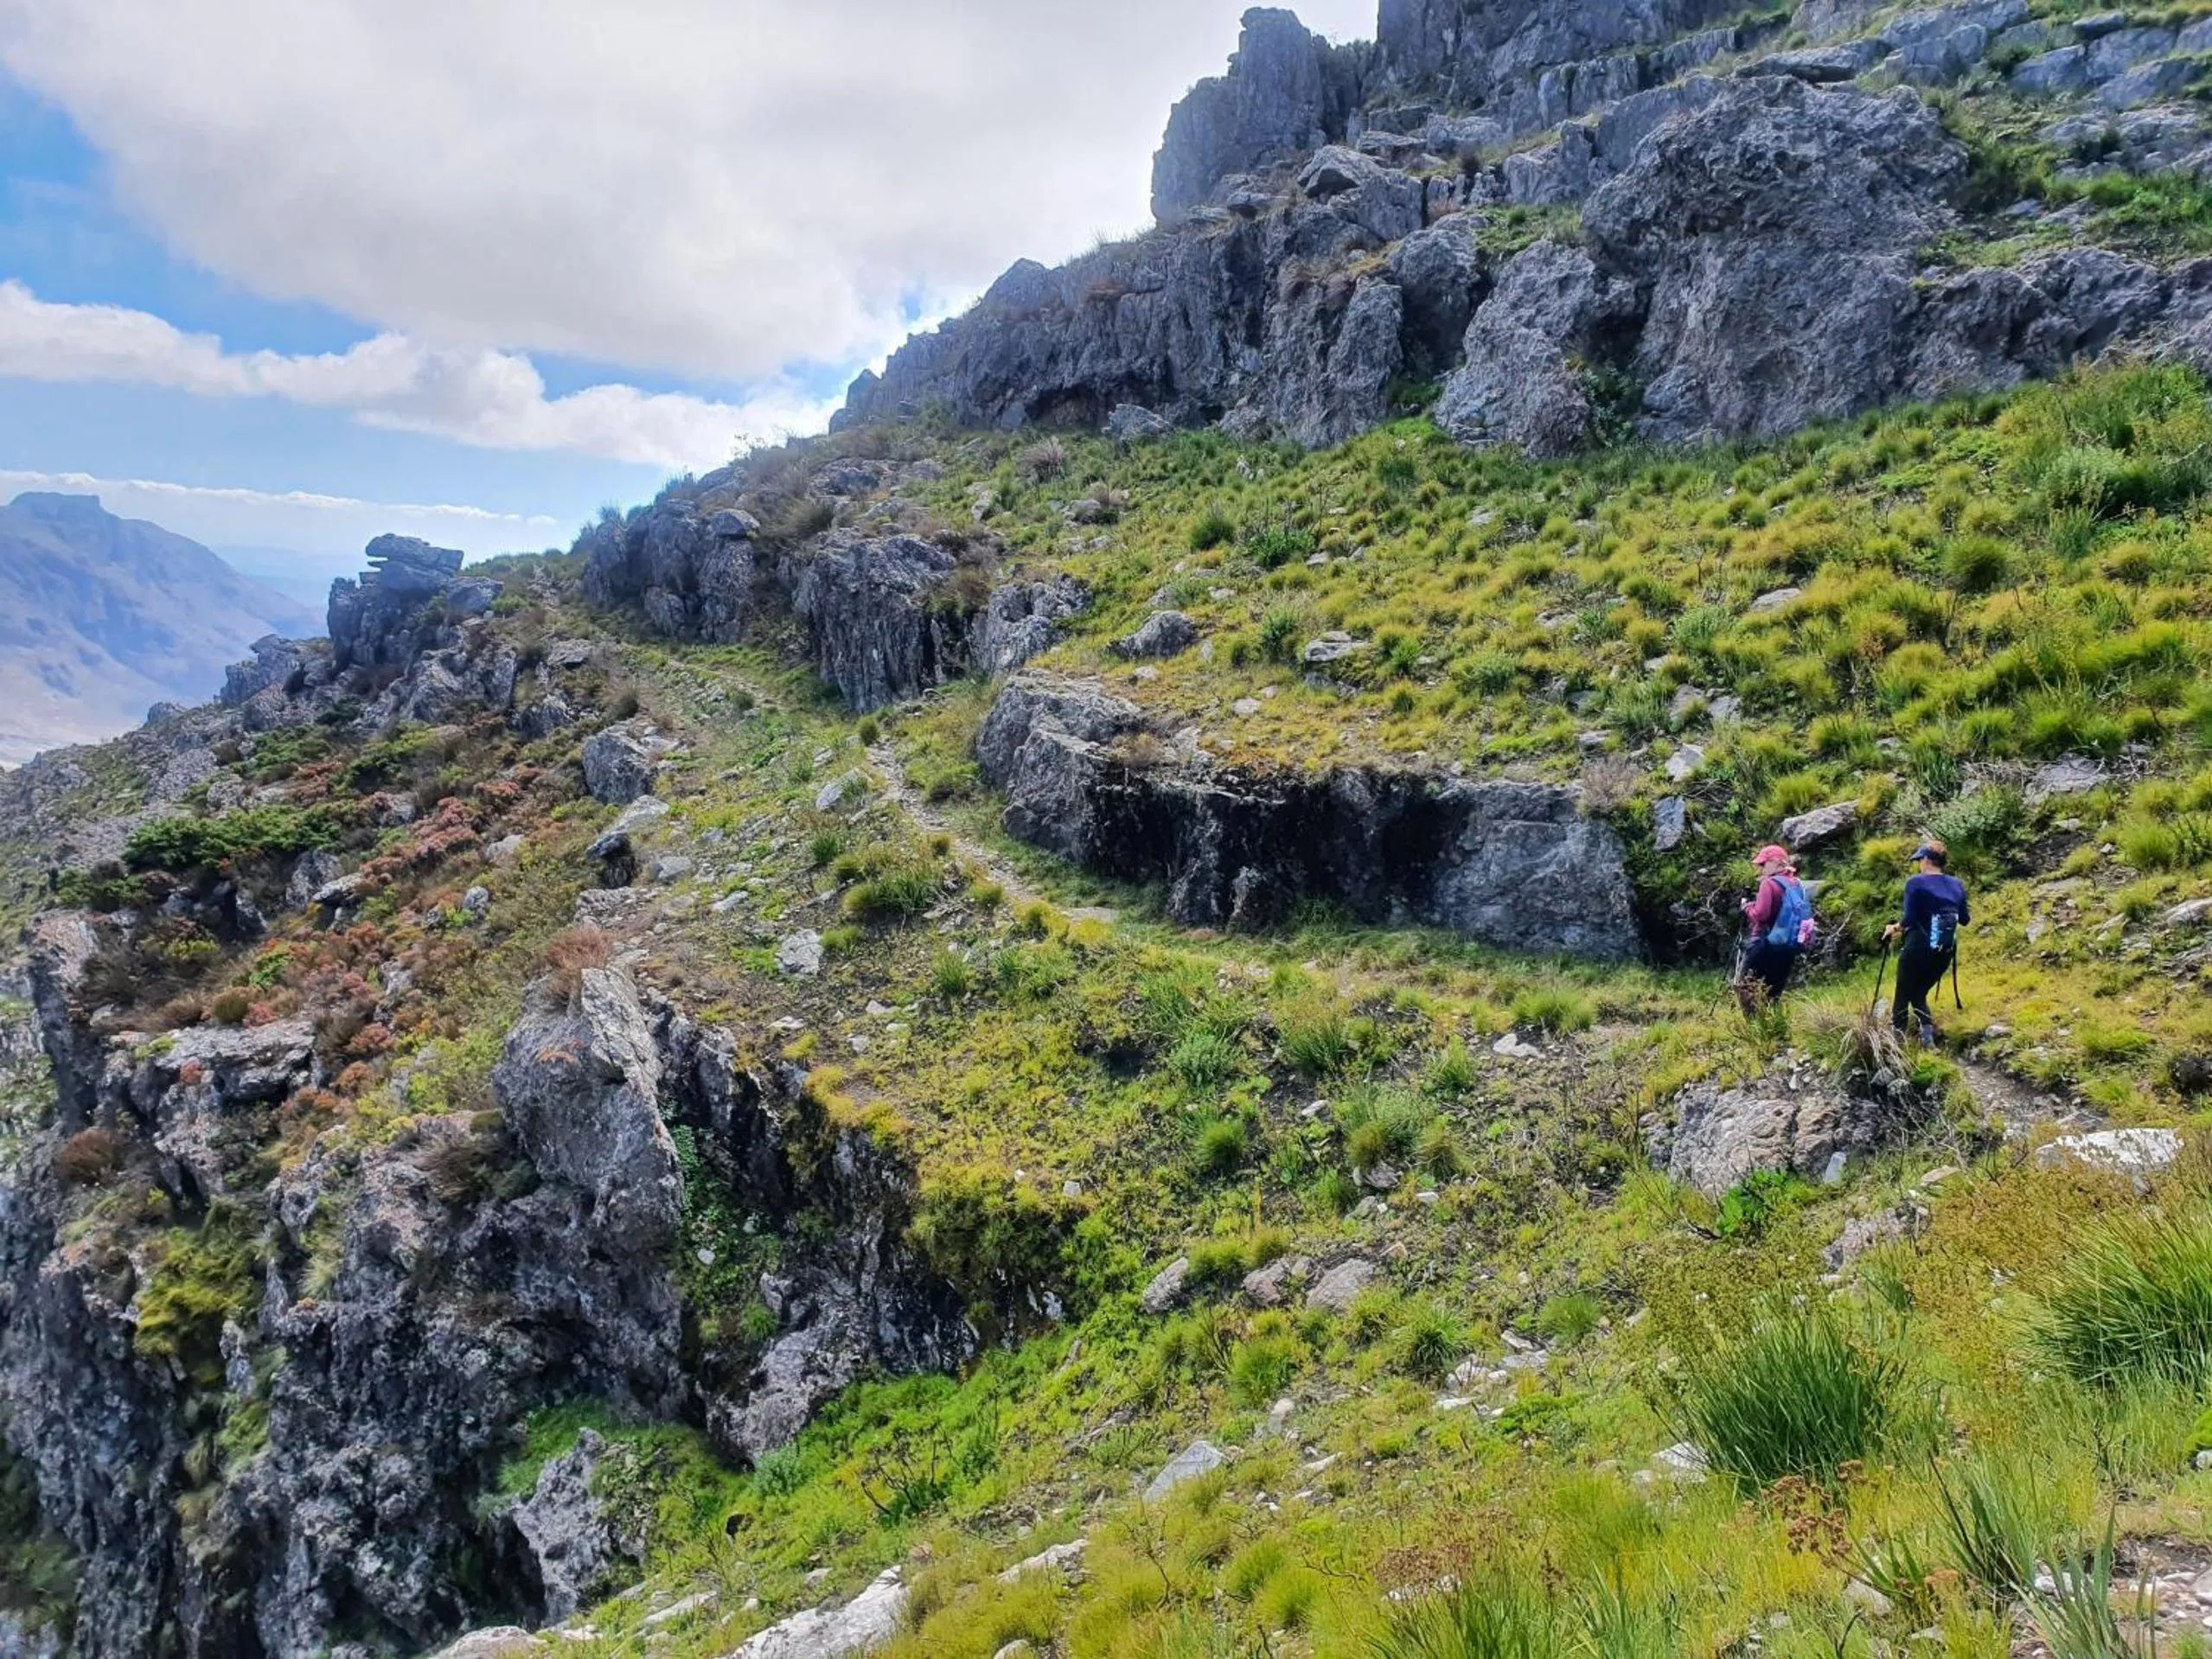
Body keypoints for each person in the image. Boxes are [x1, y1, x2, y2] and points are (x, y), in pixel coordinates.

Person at [1885, 839, 1969, 1044]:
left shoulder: (1915, 883)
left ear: (1926, 860)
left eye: (1919, 860)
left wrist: (1893, 928)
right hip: (1944, 951)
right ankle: (1927, 1039)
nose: (1919, 865)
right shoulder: (1957, 884)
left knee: (1903, 992)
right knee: (1918, 992)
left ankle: (1897, 1043)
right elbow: (1965, 919)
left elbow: (1909, 919)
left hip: (1918, 948)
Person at [1736, 843, 1813, 1016]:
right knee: (1773, 991)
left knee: (1746, 986)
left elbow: (1761, 915)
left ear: (1776, 863)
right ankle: (1774, 1024)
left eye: (1763, 864)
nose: (1761, 868)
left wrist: (1747, 907)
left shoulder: (1769, 884)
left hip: (1764, 945)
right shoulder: (1796, 883)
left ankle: (1753, 1025)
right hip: (1788, 946)